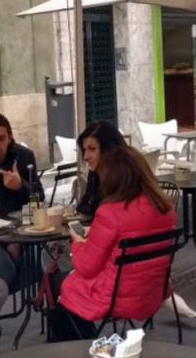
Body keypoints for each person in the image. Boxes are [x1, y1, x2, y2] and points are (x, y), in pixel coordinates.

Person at [50, 146, 177, 342]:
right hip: (151, 292)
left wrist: (78, 242)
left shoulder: (110, 212)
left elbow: (86, 266)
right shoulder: (165, 208)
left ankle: (78, 347)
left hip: (113, 297)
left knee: (60, 284)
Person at [0, 114, 44, 290]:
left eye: (1, 139)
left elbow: (39, 197)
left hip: (21, 231)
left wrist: (21, 186)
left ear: (10, 137)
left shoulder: (23, 156)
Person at [74, 121, 128, 218]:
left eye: (92, 149)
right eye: (84, 150)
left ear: (109, 149)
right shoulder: (95, 173)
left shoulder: (126, 176)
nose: (86, 156)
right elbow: (84, 206)